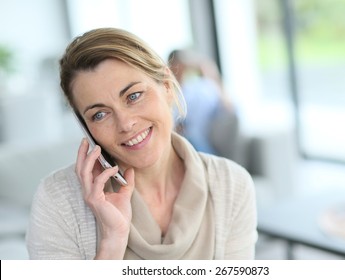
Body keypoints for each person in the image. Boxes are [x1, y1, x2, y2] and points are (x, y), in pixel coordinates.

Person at [26, 27, 258, 260]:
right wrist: (112, 242)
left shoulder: (231, 184)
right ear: (86, 128)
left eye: (134, 96)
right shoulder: (57, 202)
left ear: (167, 86)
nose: (125, 124)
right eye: (99, 114)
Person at [168, 49, 232, 155]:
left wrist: (205, 67)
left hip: (202, 144)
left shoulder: (200, 89)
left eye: (183, 66)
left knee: (191, 139)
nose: (181, 71)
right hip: (186, 143)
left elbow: (229, 107)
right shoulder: (171, 95)